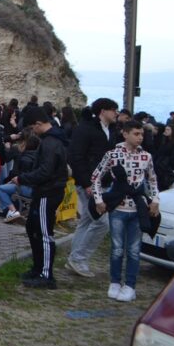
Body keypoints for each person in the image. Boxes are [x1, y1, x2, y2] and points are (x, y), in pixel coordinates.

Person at [91, 120, 159, 303]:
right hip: (118, 208)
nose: (140, 137)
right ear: (125, 134)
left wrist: (155, 200)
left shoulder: (146, 156)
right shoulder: (113, 154)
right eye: (136, 134)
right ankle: (115, 282)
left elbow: (152, 180)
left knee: (134, 250)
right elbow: (96, 177)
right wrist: (98, 200)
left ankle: (130, 285)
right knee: (117, 248)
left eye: (142, 134)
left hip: (137, 208)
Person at [66, 98, 121, 279]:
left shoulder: (110, 130)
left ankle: (74, 258)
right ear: (103, 111)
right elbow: (76, 157)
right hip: (89, 184)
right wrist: (86, 183)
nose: (116, 113)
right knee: (102, 223)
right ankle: (78, 258)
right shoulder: (85, 129)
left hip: (104, 183)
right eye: (113, 109)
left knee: (87, 222)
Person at [15, 105, 68, 289]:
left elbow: (46, 171)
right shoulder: (49, 140)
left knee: (45, 233)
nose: (32, 132)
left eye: (32, 128)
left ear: (38, 124)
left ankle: (46, 274)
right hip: (43, 191)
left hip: (49, 192)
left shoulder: (51, 143)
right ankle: (38, 268)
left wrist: (23, 178)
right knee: (32, 228)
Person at [0, 133, 39, 222]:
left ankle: (12, 211)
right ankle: (11, 210)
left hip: (27, 188)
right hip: (36, 188)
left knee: (0, 189)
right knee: (8, 186)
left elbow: (22, 176)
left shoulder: (25, 158)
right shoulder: (38, 156)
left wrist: (15, 180)